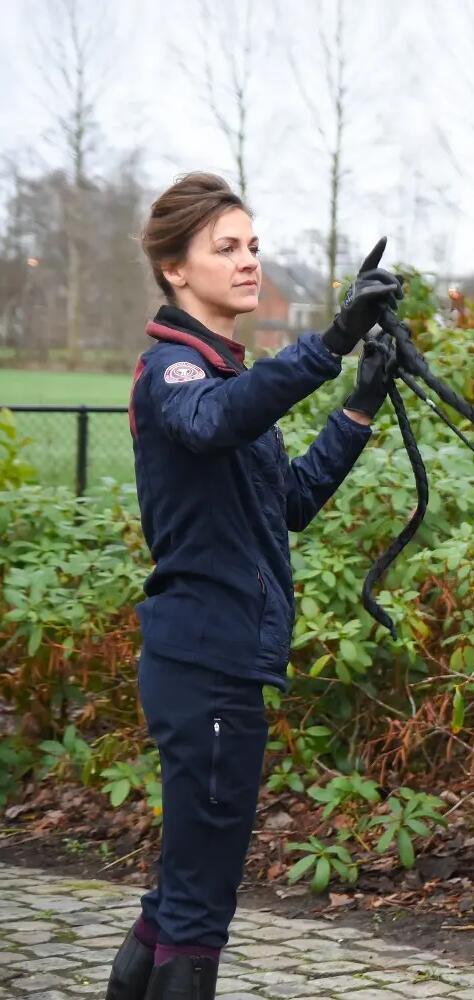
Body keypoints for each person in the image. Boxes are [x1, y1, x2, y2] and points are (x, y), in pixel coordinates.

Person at [105, 172, 404, 1000]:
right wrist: (331, 337)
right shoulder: (174, 373)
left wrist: (360, 403)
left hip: (221, 664)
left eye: (253, 246)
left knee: (175, 901)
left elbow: (292, 502)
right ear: (175, 270)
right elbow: (215, 421)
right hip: (204, 666)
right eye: (226, 248)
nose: (248, 263)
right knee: (198, 911)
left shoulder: (222, 377)